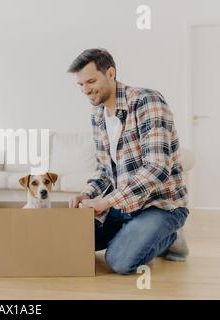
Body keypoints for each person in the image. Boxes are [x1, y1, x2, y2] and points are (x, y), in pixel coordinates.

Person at [68, 48, 189, 274]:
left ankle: (170, 236)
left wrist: (107, 202)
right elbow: (104, 169)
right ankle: (134, 232)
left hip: (160, 206)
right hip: (123, 206)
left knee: (120, 261)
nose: (85, 90)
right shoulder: (98, 115)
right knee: (75, 240)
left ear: (110, 74)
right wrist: (88, 195)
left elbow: (157, 169)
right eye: (80, 84)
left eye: (91, 81)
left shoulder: (147, 101)